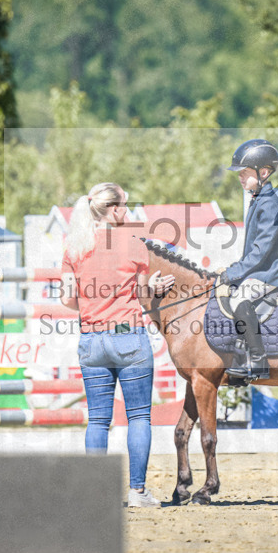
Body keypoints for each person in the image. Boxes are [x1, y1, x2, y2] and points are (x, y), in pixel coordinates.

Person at [60, 182, 174, 508]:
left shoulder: (74, 245)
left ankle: (97, 494)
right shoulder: (133, 243)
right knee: (139, 417)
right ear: (113, 209)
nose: (128, 210)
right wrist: (152, 286)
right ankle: (137, 492)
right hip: (128, 336)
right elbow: (140, 295)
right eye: (125, 205)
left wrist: (94, 303)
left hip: (91, 339)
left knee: (97, 420)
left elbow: (68, 299)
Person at [214, 139, 278, 383]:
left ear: (264, 172)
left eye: (245, 173)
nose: (240, 177)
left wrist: (235, 272)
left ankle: (258, 360)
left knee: (239, 297)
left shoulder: (269, 204)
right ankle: (239, 351)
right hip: (258, 270)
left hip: (269, 274)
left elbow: (260, 252)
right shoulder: (258, 199)